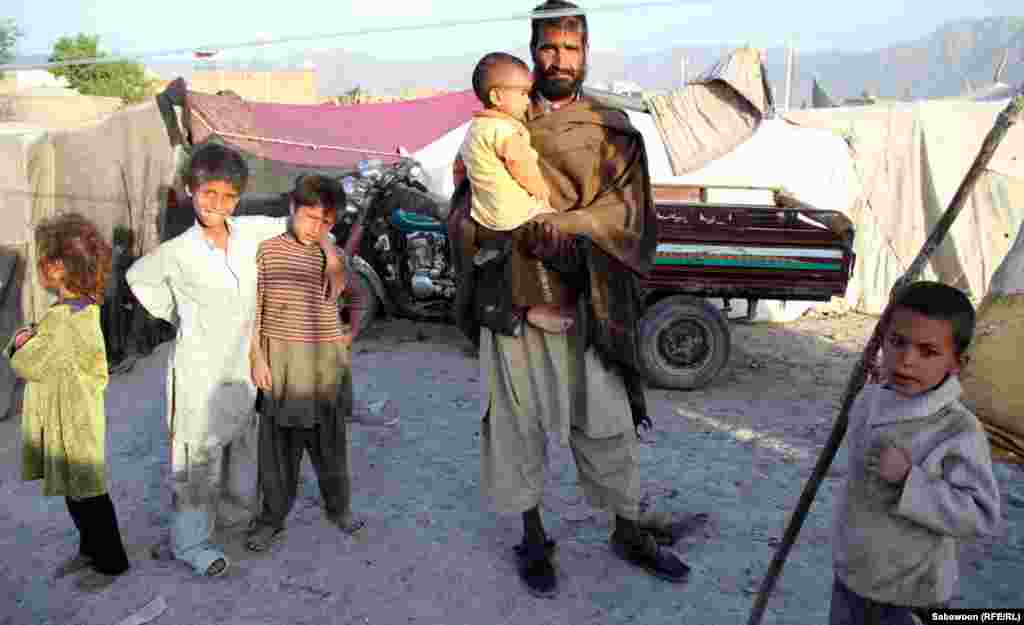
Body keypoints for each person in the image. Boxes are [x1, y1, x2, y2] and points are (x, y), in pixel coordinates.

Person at [450, 0, 690, 598]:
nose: (559, 59)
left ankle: (627, 529)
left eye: (570, 48)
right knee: (516, 427)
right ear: (532, 53)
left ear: (586, 53)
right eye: (548, 48)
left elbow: (629, 214)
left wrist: (570, 229)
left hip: (589, 300)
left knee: (608, 423)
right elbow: (463, 205)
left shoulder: (612, 130)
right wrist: (501, 233)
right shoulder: (494, 124)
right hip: (515, 301)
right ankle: (533, 536)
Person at [126, 143, 345, 577]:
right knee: (197, 461)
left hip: (245, 372)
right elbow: (139, 280)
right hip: (198, 375)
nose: (218, 205)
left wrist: (333, 255)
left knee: (241, 453)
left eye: (228, 197)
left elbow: (310, 224)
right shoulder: (176, 252)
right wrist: (182, 315)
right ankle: (190, 542)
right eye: (208, 194)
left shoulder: (249, 232)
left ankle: (227, 522)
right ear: (190, 190)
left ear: (239, 198)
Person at [830, 281, 1001, 625]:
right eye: (897, 342)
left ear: (958, 362)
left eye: (928, 351)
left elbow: (981, 516)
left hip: (911, 596)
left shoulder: (957, 430)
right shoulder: (868, 401)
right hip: (853, 578)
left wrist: (910, 481)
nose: (907, 360)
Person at [4, 213, 131, 592]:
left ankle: (111, 562)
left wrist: (19, 343)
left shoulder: (65, 318)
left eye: (46, 259)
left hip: (72, 419)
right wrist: (36, 337)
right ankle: (91, 550)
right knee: (78, 492)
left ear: (59, 266)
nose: (42, 266)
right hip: (75, 415)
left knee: (88, 494)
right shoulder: (79, 309)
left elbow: (32, 362)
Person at [245, 175, 364, 552]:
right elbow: (254, 309)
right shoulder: (267, 252)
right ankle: (271, 518)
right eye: (310, 217)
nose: (316, 228)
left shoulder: (332, 256)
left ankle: (339, 507)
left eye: (326, 222)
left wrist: (330, 249)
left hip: (323, 362)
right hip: (281, 360)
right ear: (293, 209)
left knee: (330, 443)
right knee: (278, 448)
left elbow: (343, 289)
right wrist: (257, 357)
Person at [460, 51, 573, 335]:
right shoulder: (507, 131)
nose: (527, 100)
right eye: (523, 93)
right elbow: (525, 171)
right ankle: (542, 308)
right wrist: (544, 197)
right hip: (514, 212)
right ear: (497, 97)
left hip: (485, 213)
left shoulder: (475, 129)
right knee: (557, 236)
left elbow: (460, 171)